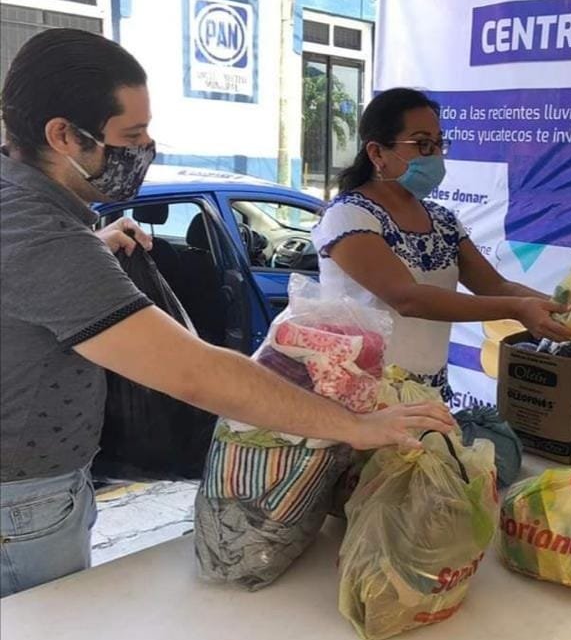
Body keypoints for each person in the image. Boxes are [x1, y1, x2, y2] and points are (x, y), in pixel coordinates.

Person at [0, 29, 454, 598]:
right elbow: (194, 372)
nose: (146, 148)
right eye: (132, 136)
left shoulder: (24, 208)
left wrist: (95, 245)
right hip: (22, 504)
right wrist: (355, 427)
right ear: (63, 135)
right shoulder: (39, 233)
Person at [311, 88, 571, 405]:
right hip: (359, 394)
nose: (435, 155)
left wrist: (568, 309)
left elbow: (496, 286)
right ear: (377, 153)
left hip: (426, 393)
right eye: (422, 144)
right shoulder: (348, 215)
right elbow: (407, 298)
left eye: (438, 144)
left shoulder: (442, 220)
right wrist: (517, 309)